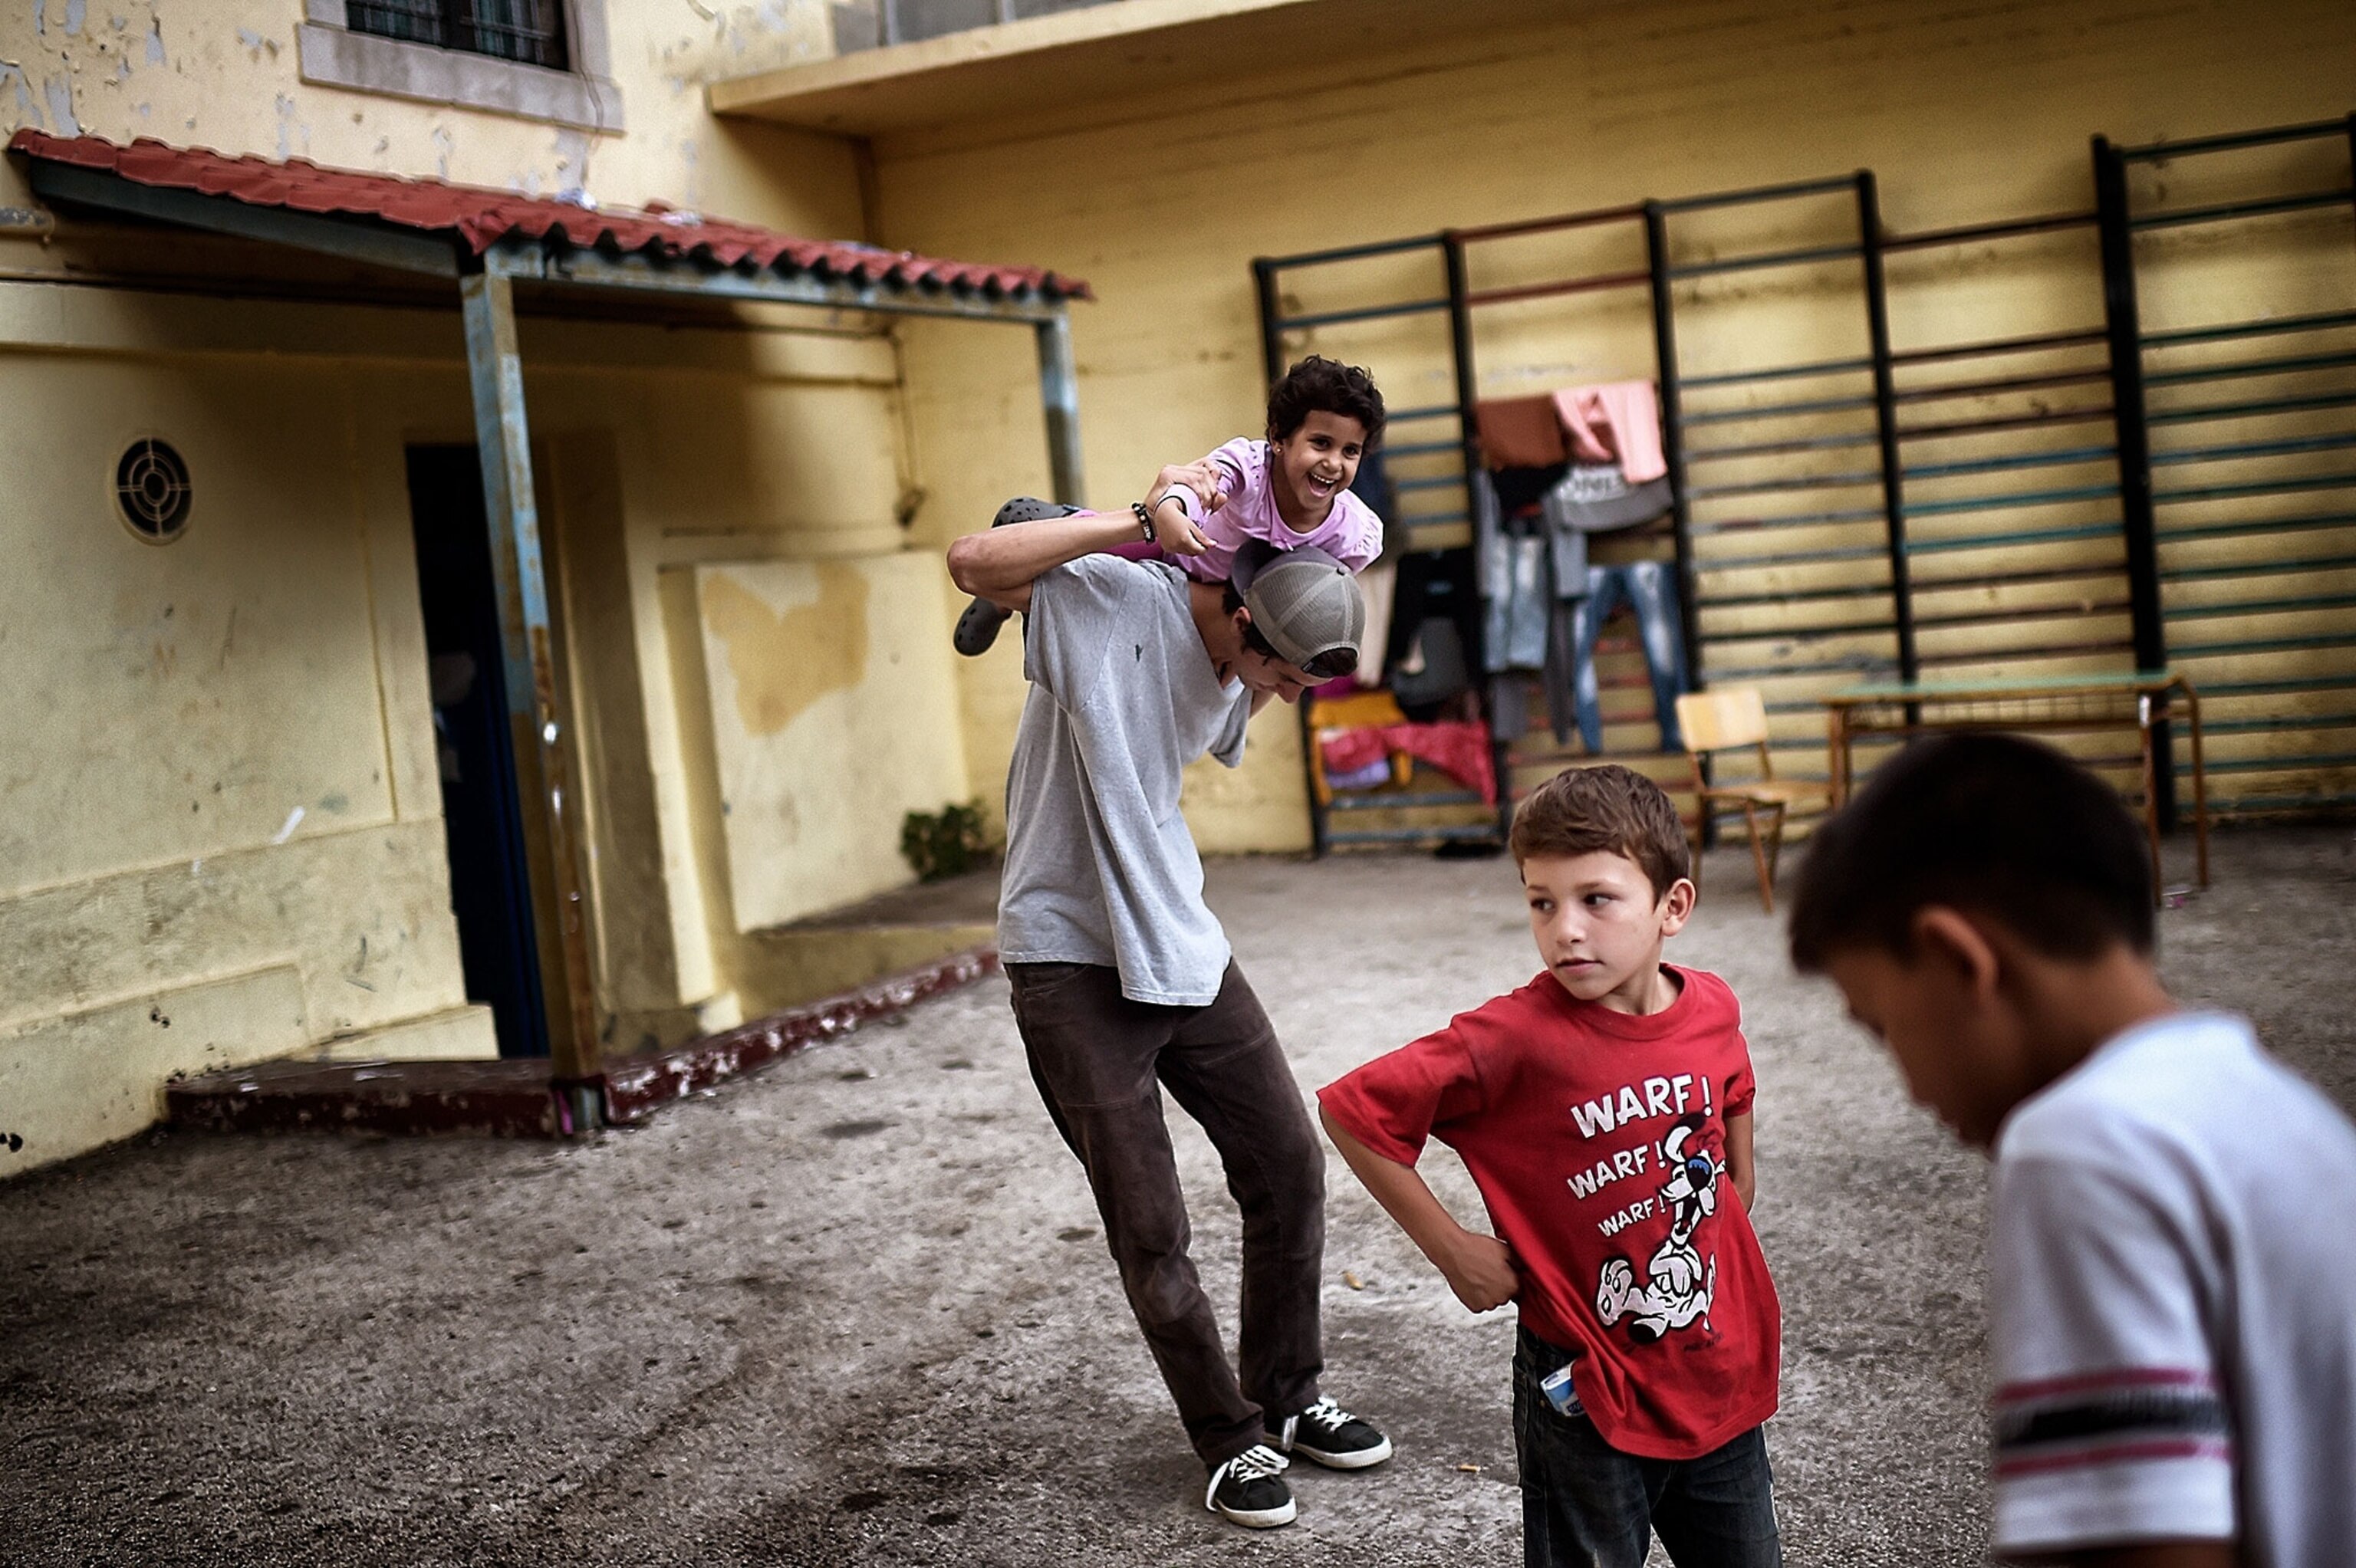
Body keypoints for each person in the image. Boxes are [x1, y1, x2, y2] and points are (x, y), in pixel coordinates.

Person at [1787, 732, 2356, 1568]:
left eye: (1883, 1027)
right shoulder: (2277, 1108)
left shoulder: (2082, 1144)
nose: (1907, 1087)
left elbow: (2141, 1548)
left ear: (1958, 958)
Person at [943, 521, 1392, 1530]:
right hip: (1067, 954)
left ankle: (1288, 1391)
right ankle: (1228, 1439)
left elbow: (1279, 520)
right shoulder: (1111, 601)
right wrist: (1136, 526)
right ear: (1242, 619)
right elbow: (978, 557)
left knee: (1287, 1161)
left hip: (1177, 939)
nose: (1274, 697)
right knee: (1150, 1227)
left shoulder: (1240, 652)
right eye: (1276, 675)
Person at [1318, 764, 1784, 1568]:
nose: (1565, 928)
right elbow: (1355, 1109)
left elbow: (1732, 1077)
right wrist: (1453, 1248)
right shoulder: (1512, 1037)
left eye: (1596, 899)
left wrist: (1736, 1186)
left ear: (1673, 905)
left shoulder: (1710, 1003)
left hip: (1718, 1371)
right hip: (1585, 1395)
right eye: (1542, 901)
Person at [953, 353, 1387, 656]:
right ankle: (1003, 594)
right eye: (1320, 443)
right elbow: (1193, 487)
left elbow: (1321, 596)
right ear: (1278, 438)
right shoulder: (1249, 468)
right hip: (1173, 554)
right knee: (1057, 540)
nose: (1333, 463)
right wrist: (1170, 515)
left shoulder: (1354, 534)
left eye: (1350, 451)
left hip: (1217, 597)